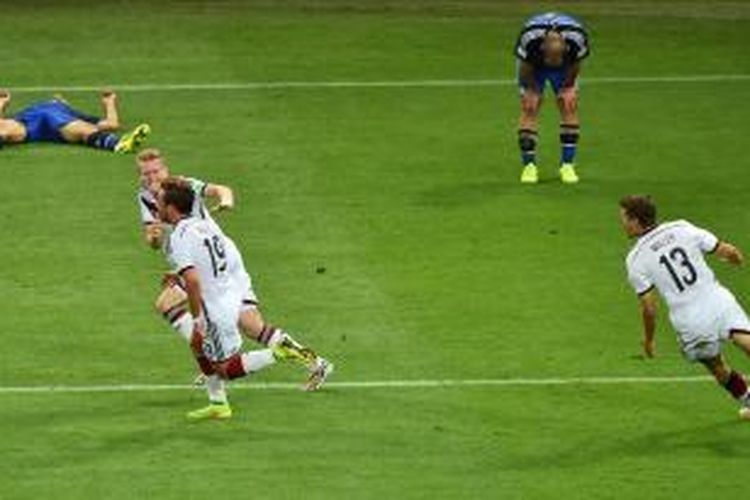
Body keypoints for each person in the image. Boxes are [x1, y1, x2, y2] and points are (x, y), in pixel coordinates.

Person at [136, 149, 332, 403]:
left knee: (249, 324)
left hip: (219, 264)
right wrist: (153, 240)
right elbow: (154, 237)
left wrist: (226, 201)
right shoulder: (144, 197)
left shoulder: (184, 187)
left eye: (156, 170)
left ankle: (312, 361)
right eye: (146, 173)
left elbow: (221, 190)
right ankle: (310, 361)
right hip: (197, 263)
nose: (152, 176)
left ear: (165, 169)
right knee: (173, 306)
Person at [620, 195, 750, 420]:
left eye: (623, 218)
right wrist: (736, 258)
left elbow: (649, 309)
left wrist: (649, 339)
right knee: (746, 341)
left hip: (689, 319)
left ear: (635, 221)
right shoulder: (682, 227)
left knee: (716, 365)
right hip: (717, 299)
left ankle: (748, 398)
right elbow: (725, 250)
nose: (621, 223)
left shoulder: (636, 259)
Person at [514, 12, 589, 184]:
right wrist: (532, 90)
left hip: (567, 67)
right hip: (533, 67)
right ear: (543, 48)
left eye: (557, 58)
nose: (552, 63)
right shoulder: (530, 40)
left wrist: (567, 87)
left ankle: (567, 165)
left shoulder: (576, 39)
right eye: (550, 58)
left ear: (565, 48)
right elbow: (525, 68)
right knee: (529, 107)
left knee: (569, 105)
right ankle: (529, 167)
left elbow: (576, 64)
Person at [0, 89, 149, 153]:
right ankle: (118, 144)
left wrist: (109, 103)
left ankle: (118, 144)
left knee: (84, 130)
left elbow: (112, 124)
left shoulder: (75, 115)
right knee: (6, 127)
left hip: (42, 126)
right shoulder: (60, 110)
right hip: (28, 123)